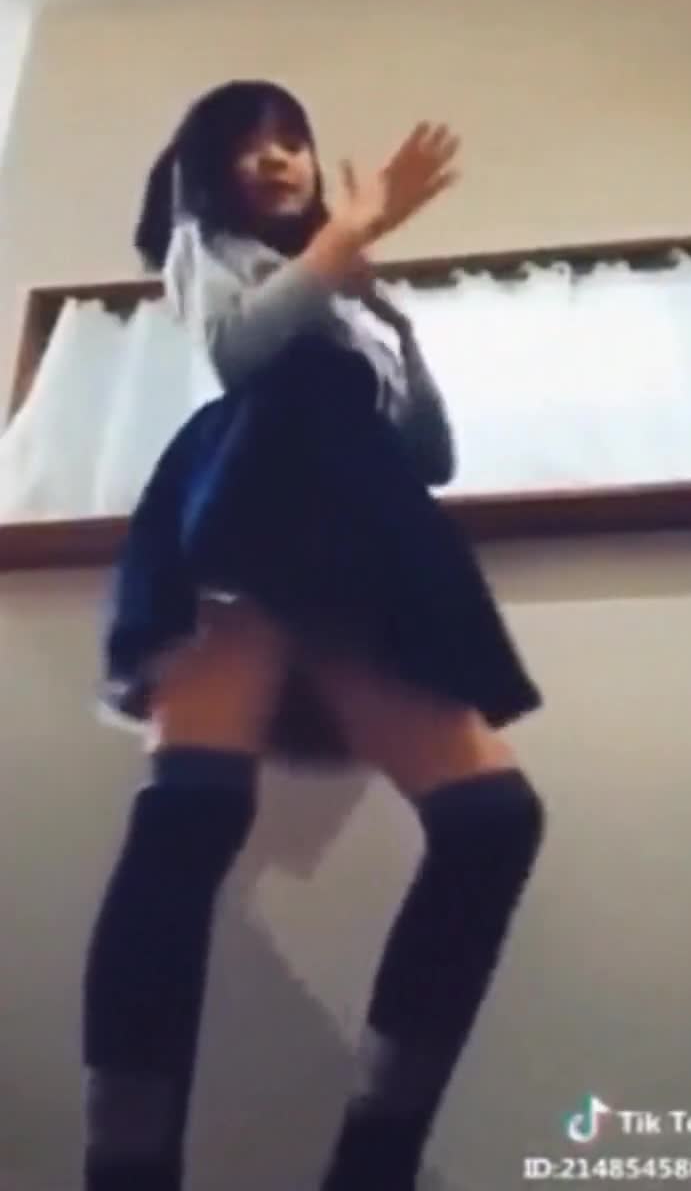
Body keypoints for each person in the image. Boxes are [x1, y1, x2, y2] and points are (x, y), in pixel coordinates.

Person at [82, 80, 546, 1191]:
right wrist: (345, 243)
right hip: (253, 496)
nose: (278, 157)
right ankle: (127, 1168)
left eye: (292, 139)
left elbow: (428, 453)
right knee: (194, 812)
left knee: (491, 819)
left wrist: (389, 314)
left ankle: (374, 1161)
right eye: (250, 144)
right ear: (209, 169)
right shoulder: (210, 249)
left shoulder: (351, 289)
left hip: (364, 518)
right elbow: (241, 355)